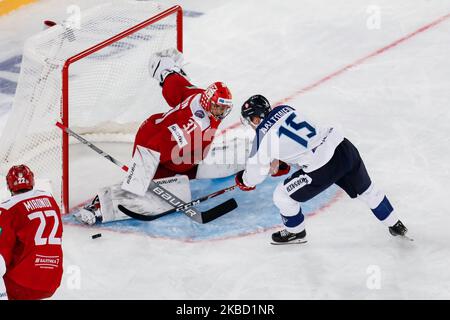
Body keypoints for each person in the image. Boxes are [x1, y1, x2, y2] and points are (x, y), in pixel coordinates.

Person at [77, 49, 247, 225]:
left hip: (175, 151)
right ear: (208, 102)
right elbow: (161, 143)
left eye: (225, 108)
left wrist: (166, 70)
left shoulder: (199, 96)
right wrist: (145, 174)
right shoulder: (191, 125)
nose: (222, 112)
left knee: (195, 168)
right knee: (141, 187)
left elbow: (178, 88)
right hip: (153, 143)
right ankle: (98, 207)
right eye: (219, 107)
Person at [235, 95, 408, 244]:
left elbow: (255, 176)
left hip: (322, 167)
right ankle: (396, 225)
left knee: (281, 195)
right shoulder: (285, 108)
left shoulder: (261, 137)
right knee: (368, 191)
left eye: (250, 122)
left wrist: (244, 180)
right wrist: (280, 159)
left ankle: (296, 232)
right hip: (343, 147)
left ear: (256, 119)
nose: (251, 126)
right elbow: (292, 138)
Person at [0, 165, 63, 299]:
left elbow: (1, 256)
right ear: (32, 181)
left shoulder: (7, 210)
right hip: (52, 280)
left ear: (9, 185)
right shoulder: (49, 198)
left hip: (21, 284)